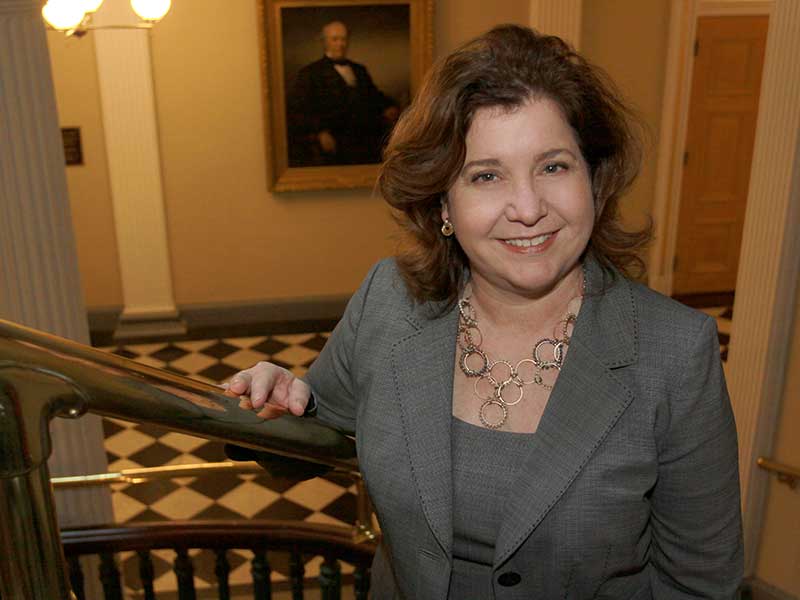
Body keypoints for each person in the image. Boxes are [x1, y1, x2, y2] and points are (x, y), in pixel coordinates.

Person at [228, 25, 743, 599]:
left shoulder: (676, 353)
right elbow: (303, 443)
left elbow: (699, 584)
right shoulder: (389, 304)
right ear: (443, 201)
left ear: (593, 180)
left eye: (553, 166)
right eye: (487, 176)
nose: (527, 208)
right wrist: (270, 404)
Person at [286, 20, 400, 167]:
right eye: (335, 39)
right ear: (324, 42)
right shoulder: (310, 73)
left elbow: (374, 96)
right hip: (335, 139)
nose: (340, 44)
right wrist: (320, 132)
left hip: (365, 137)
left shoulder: (359, 70)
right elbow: (300, 108)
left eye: (344, 39)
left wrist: (389, 106)